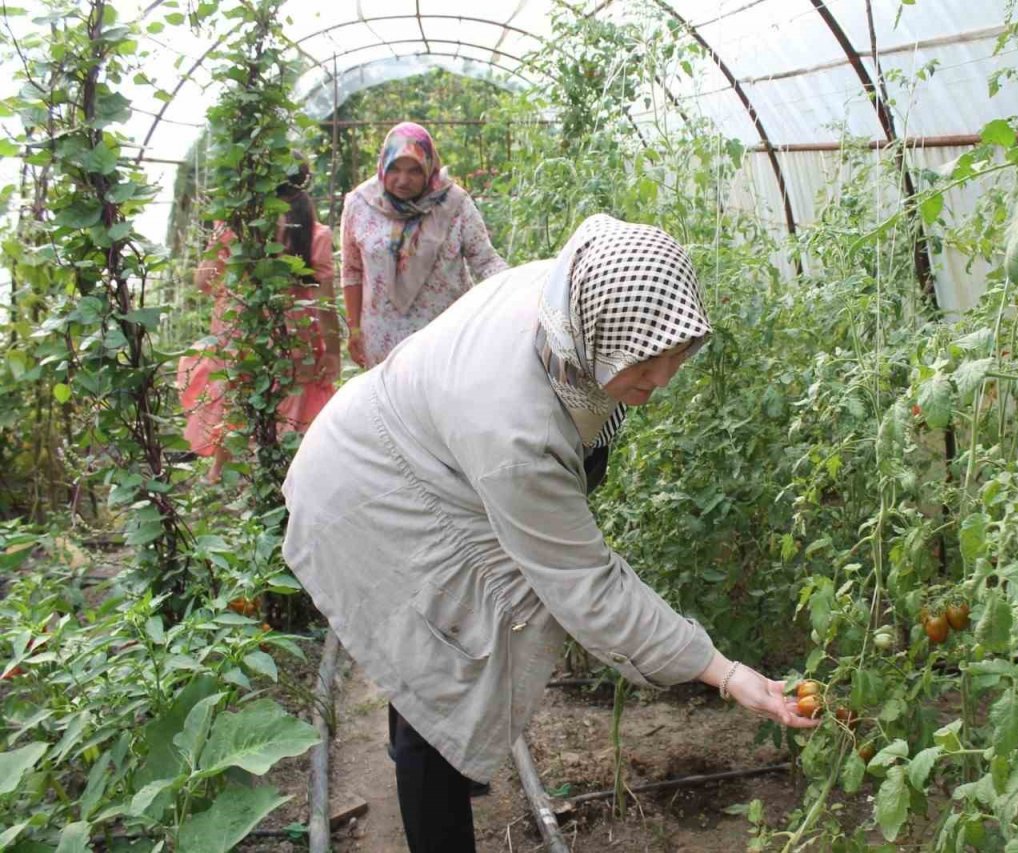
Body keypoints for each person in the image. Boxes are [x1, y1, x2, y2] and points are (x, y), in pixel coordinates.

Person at [282, 214, 818, 852]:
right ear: (596, 341)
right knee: (435, 673)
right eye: (642, 368)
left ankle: (452, 757)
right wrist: (726, 673)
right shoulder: (516, 436)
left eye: (673, 358)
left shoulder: (570, 300)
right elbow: (587, 587)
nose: (659, 382)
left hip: (420, 458)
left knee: (448, 661)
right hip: (372, 492)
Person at [177, 160, 340, 483]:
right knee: (295, 403)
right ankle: (289, 479)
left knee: (234, 394)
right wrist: (332, 350)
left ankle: (219, 474)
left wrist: (223, 242)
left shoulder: (238, 225)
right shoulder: (315, 233)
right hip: (294, 337)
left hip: (240, 329)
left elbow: (203, 283)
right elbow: (324, 302)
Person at [341, 121, 508, 369]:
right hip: (383, 342)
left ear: (429, 168)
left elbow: (485, 260)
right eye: (395, 168)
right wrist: (354, 329)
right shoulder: (360, 204)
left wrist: (518, 287)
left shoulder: (453, 204)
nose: (403, 180)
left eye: (415, 170)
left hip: (446, 338)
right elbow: (352, 271)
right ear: (383, 165)